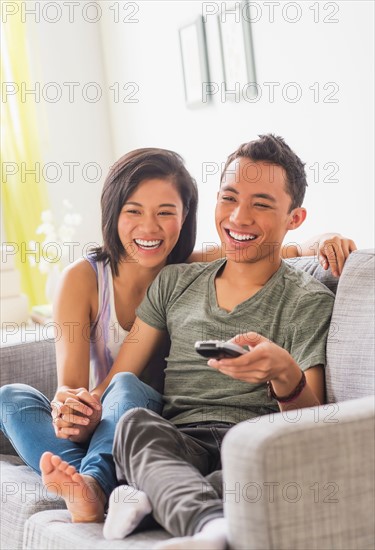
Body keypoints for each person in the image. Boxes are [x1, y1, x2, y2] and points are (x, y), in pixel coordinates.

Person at [1, 144, 355, 524]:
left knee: (129, 394)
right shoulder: (122, 278)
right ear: (112, 212)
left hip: (192, 423)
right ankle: (96, 485)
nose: (149, 228)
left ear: (185, 219)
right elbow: (82, 385)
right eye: (133, 210)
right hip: (130, 422)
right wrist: (77, 410)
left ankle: (107, 489)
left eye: (165, 213)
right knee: (18, 398)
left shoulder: (196, 269)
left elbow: (266, 246)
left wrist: (324, 240)